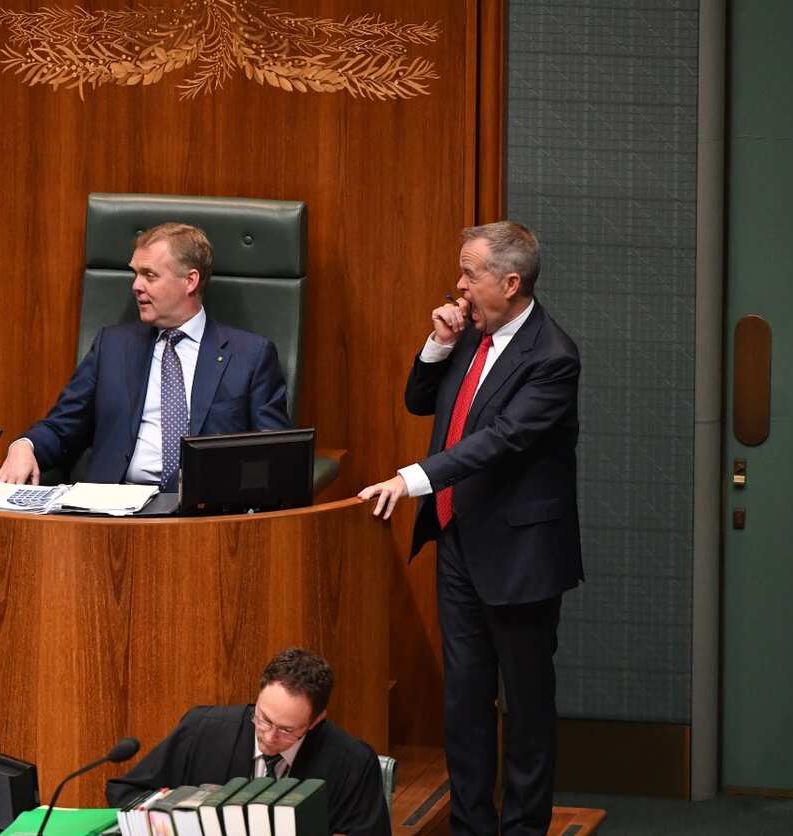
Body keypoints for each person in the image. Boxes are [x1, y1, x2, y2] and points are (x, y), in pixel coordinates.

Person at [358, 221, 583, 836]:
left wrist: (412, 478)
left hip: (522, 554)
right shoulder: (469, 335)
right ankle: (471, 826)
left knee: (528, 709)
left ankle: (524, 829)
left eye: (470, 273)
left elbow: (503, 441)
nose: (458, 286)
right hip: (458, 541)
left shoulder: (553, 356)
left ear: (510, 282)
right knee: (464, 702)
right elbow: (418, 401)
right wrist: (435, 344)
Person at [0, 222, 291, 487]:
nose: (136, 286)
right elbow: (63, 427)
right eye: (135, 274)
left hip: (205, 517)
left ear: (190, 281)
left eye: (150, 275)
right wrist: (24, 445)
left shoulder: (250, 355)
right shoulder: (113, 346)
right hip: (112, 513)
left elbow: (274, 456)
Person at [106, 648, 389, 836]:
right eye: (263, 719)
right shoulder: (203, 729)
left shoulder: (352, 762)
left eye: (287, 730)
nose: (268, 735)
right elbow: (126, 793)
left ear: (316, 721)